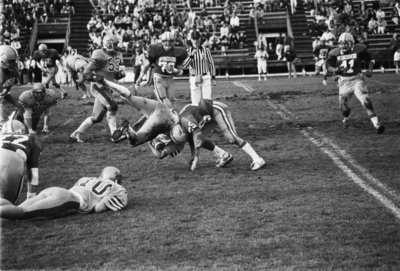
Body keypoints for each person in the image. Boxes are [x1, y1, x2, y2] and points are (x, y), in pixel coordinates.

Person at [107, 80, 231, 163]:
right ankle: (223, 153)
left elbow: (161, 152)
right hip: (171, 119)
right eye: (160, 141)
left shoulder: (174, 138)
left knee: (130, 99)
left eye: (157, 140)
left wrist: (194, 157)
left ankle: (223, 154)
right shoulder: (174, 141)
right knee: (192, 137)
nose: (159, 140)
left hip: (170, 115)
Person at [171, 99, 266, 171]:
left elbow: (197, 134)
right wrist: (193, 155)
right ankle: (224, 156)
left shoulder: (186, 120)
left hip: (216, 110)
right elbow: (194, 139)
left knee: (232, 138)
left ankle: (258, 159)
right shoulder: (181, 123)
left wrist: (195, 158)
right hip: (207, 116)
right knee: (196, 139)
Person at [0, 166, 127, 219]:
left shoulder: (87, 178)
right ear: (116, 180)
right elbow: (99, 208)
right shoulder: (117, 188)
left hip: (55, 190)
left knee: (16, 208)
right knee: (22, 213)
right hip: (66, 198)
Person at [70, 34, 126, 143]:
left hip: (107, 87)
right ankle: (115, 135)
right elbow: (86, 72)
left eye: (115, 44)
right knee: (113, 106)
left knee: (97, 117)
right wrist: (95, 77)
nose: (115, 46)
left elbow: (113, 74)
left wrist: (119, 74)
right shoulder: (100, 54)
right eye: (113, 44)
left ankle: (76, 134)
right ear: (107, 44)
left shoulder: (117, 55)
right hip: (98, 86)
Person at [326, 32, 385, 134]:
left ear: (352, 43)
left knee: (366, 102)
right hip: (343, 82)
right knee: (344, 108)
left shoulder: (359, 50)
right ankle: (346, 117)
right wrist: (336, 69)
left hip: (357, 79)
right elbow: (328, 66)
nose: (343, 46)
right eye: (341, 43)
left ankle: (376, 124)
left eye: (346, 43)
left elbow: (371, 59)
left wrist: (370, 70)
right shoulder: (334, 53)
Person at [135, 31, 188, 108]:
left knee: (167, 102)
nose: (167, 43)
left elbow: (181, 67)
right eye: (165, 41)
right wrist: (140, 77)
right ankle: (172, 117)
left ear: (173, 41)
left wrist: (177, 70)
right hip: (159, 78)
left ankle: (152, 115)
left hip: (170, 79)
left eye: (170, 41)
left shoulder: (179, 51)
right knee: (164, 100)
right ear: (161, 41)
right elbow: (147, 65)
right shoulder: (155, 49)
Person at [0, 120, 43, 204]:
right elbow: (33, 172)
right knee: (6, 206)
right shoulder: (32, 139)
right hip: (11, 159)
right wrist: (31, 197)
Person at [182, 30, 216, 105]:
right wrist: (191, 56)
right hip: (194, 78)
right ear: (191, 40)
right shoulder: (188, 51)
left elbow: (211, 64)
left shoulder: (206, 50)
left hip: (205, 76)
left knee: (207, 100)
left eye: (197, 39)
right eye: (194, 39)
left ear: (200, 39)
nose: (195, 41)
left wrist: (213, 77)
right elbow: (185, 65)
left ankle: (207, 116)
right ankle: (197, 116)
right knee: (195, 102)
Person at [0, 45, 24, 128]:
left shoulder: (12, 72)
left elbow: (3, 93)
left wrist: (15, 102)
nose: (14, 63)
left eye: (14, 61)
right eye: (11, 61)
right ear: (2, 60)